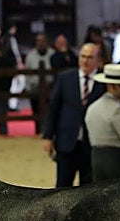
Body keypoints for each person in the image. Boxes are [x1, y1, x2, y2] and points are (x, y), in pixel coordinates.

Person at [41, 42, 103, 187]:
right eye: (82, 56)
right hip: (66, 142)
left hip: (92, 144)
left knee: (89, 188)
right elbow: (53, 108)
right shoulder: (65, 78)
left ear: (97, 60)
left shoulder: (103, 81)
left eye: (89, 57)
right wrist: (47, 136)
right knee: (62, 187)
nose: (85, 61)